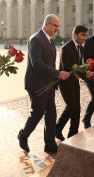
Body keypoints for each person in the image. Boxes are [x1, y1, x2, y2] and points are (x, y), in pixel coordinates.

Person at [18, 14, 70, 153]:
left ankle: (50, 143)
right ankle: (23, 135)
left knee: (51, 114)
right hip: (37, 85)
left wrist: (59, 74)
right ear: (46, 24)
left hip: (49, 84)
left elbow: (50, 63)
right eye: (55, 26)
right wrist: (56, 73)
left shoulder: (50, 41)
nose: (57, 29)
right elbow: (36, 63)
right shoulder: (36, 39)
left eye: (58, 26)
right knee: (37, 113)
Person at [55, 25, 93, 141]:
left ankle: (67, 132)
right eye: (82, 35)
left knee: (75, 108)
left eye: (86, 35)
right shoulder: (66, 48)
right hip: (65, 83)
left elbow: (79, 66)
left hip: (75, 83)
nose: (84, 37)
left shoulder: (81, 48)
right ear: (75, 35)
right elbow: (67, 68)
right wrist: (83, 74)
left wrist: (85, 71)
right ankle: (71, 135)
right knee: (73, 108)